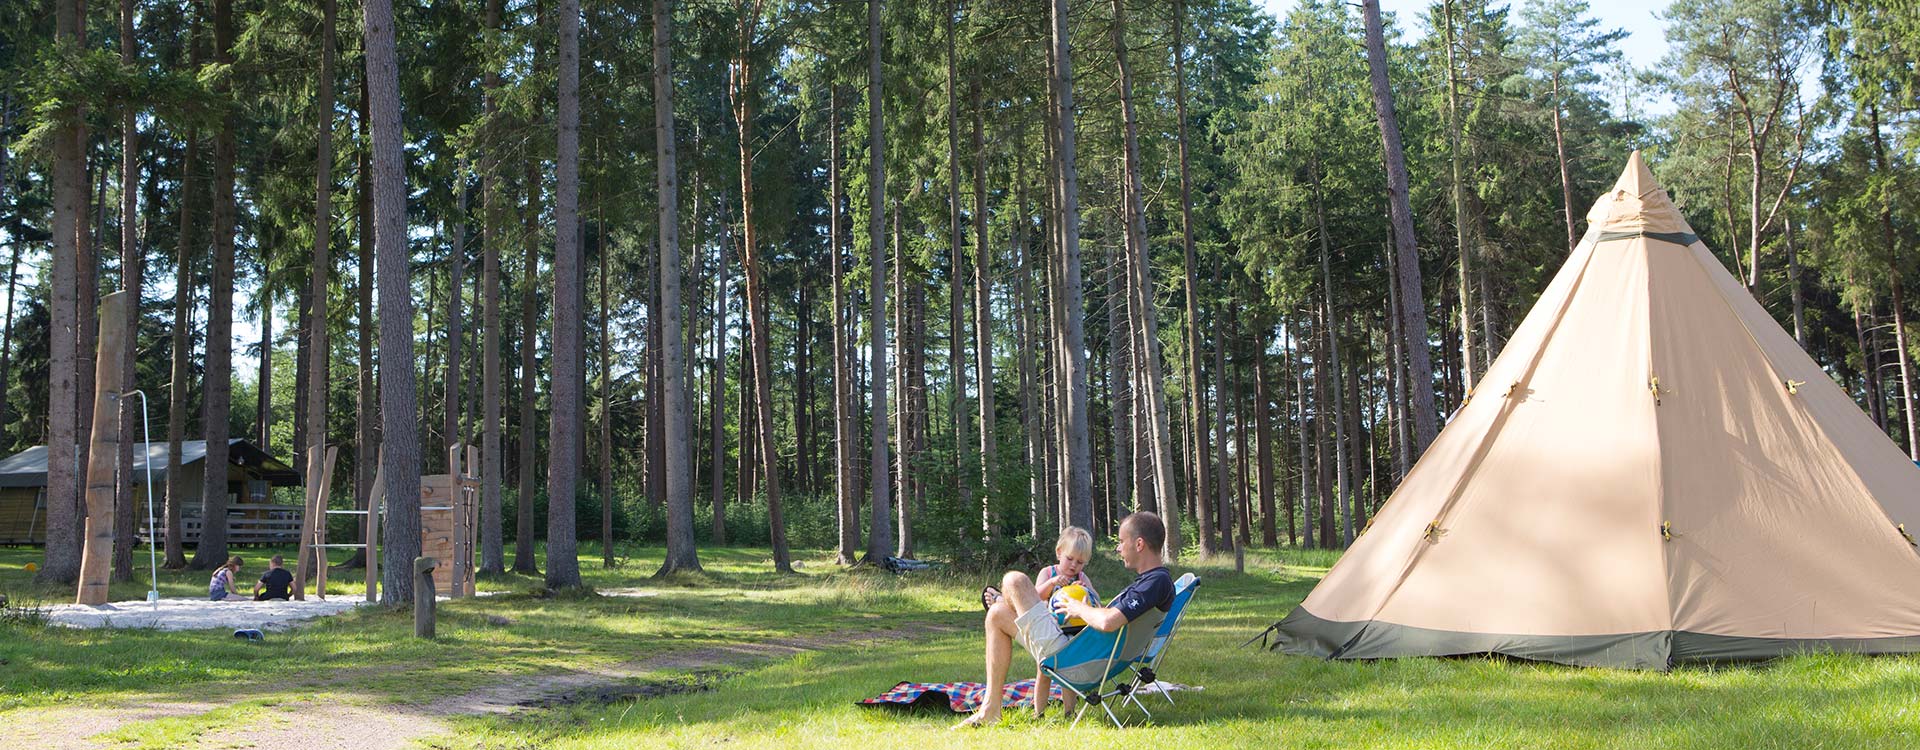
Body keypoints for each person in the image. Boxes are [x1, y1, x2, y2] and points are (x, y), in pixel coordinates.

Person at [954, 512, 1176, 729]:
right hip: (1082, 651)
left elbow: (1109, 622)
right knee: (996, 616)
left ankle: (1004, 599)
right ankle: (991, 710)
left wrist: (1078, 607)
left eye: (1121, 541)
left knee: (1015, 580)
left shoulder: (1155, 582)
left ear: (1139, 544)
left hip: (1075, 658)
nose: (1118, 548)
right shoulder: (1154, 582)